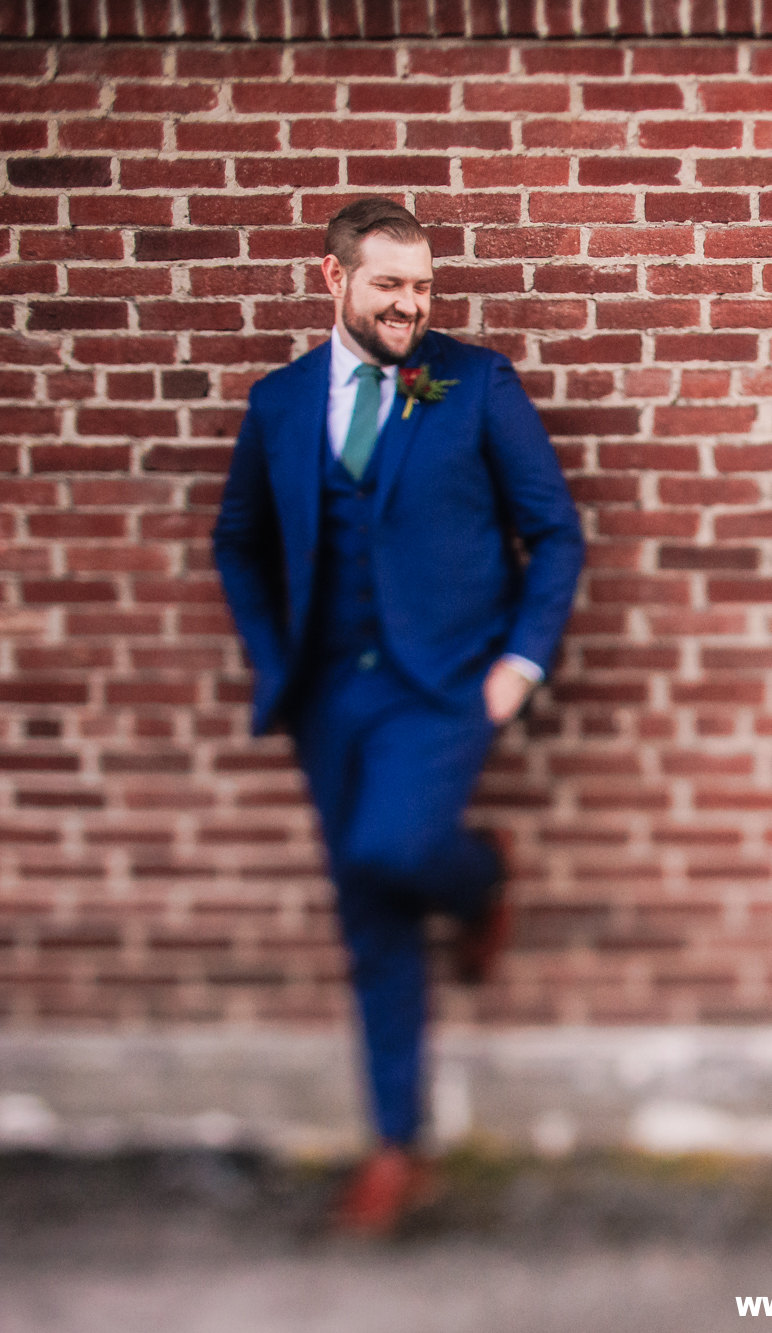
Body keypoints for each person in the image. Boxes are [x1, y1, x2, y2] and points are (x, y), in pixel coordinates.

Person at [212, 198, 585, 1234]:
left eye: (421, 288)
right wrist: (273, 652)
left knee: (396, 847)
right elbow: (236, 538)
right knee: (366, 913)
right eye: (388, 286)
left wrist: (520, 660)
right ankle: (394, 1146)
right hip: (330, 693)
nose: (410, 306)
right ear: (331, 280)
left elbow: (553, 532)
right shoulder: (280, 402)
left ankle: (479, 876)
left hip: (446, 683)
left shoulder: (476, 385)